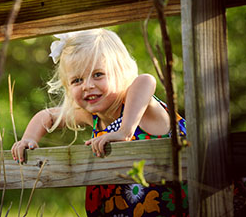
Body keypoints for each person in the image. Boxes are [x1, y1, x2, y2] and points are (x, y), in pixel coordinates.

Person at [11, 28, 188, 216]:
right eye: (77, 80)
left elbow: (146, 80)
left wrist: (125, 131)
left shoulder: (139, 107)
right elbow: (47, 116)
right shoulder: (93, 116)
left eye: (98, 75)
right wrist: (28, 139)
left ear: (121, 73)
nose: (87, 85)